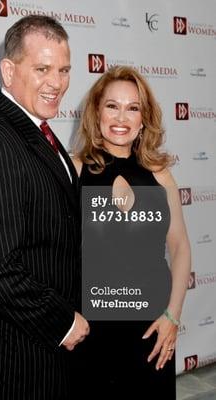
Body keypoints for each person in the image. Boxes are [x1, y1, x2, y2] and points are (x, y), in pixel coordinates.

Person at [0, 15, 89, 400]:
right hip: (18, 363)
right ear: (8, 71)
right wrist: (62, 322)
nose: (57, 82)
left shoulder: (36, 130)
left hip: (49, 358)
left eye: (63, 70)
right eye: (42, 68)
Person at [72, 65, 191, 399]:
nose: (121, 117)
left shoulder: (160, 175)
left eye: (132, 107)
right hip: (90, 333)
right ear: (96, 112)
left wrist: (173, 315)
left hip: (151, 330)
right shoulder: (74, 169)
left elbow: (180, 247)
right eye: (112, 105)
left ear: (143, 119)